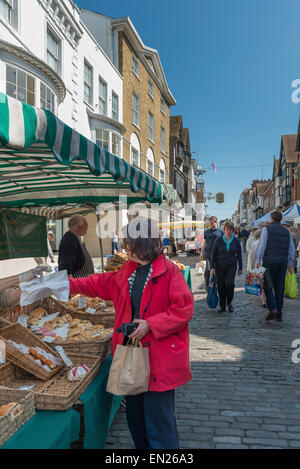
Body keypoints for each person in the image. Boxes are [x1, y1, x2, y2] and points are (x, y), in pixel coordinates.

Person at [68, 218, 194, 449]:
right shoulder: (129, 269)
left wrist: (151, 324)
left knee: (159, 424)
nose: (124, 247)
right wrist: (65, 284)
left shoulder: (170, 273)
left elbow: (183, 310)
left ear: (142, 244)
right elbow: (99, 283)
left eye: (128, 243)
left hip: (159, 358)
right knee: (136, 420)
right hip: (131, 354)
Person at [256, 210, 295, 322]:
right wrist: (290, 263)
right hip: (282, 262)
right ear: (280, 219)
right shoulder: (286, 231)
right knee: (279, 287)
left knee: (267, 286)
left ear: (271, 219)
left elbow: (262, 245)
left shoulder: (266, 229)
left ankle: (273, 308)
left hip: (269, 262)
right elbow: (291, 249)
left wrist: (258, 259)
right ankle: (279, 313)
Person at [211, 221, 243, 313]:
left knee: (229, 284)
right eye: (227, 230)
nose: (229, 232)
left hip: (231, 266)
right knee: (221, 286)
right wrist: (212, 267)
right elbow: (213, 254)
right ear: (224, 230)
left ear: (233, 230)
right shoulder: (219, 240)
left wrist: (240, 267)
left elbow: (239, 255)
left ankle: (229, 303)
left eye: (230, 230)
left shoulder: (236, 240)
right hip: (219, 266)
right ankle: (222, 305)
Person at [200, 216, 223, 291]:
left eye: (212, 222)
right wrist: (201, 252)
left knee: (217, 269)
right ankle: (207, 284)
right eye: (210, 222)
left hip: (218, 254)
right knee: (207, 269)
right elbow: (204, 242)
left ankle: (215, 284)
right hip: (208, 253)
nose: (210, 223)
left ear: (216, 222)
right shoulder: (207, 232)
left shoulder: (221, 231)